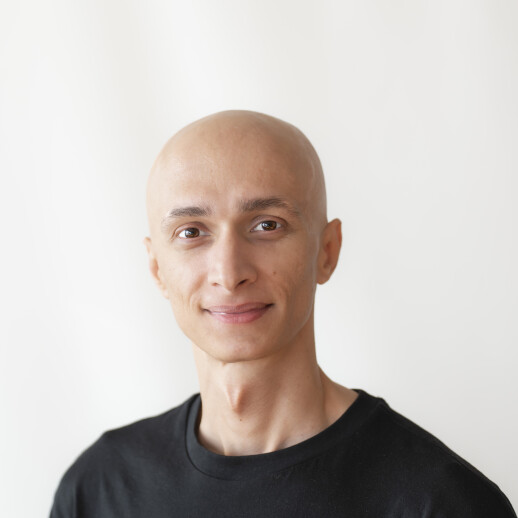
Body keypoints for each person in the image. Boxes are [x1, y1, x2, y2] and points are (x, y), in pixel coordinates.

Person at [50, 110, 516, 517]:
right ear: (157, 269)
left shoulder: (440, 501)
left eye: (266, 225)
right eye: (192, 232)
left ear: (326, 252)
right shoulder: (100, 487)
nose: (229, 273)